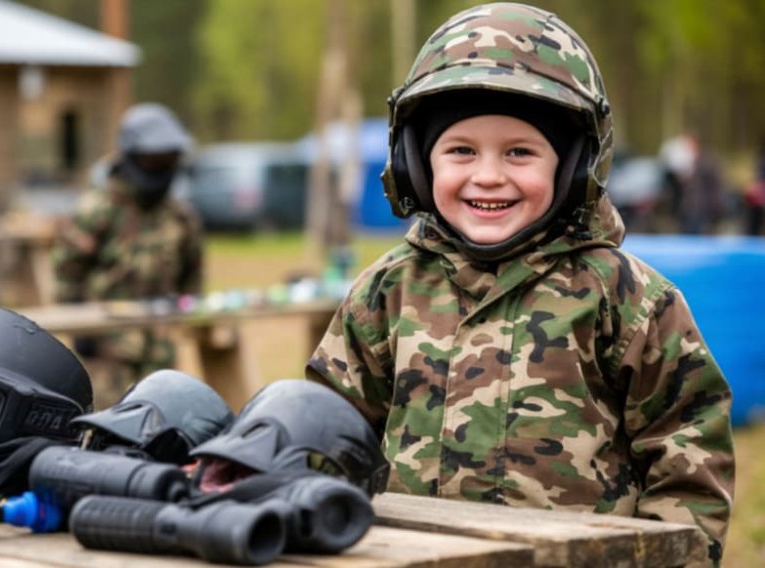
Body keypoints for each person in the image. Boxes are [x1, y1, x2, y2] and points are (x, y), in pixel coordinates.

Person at [305, 3, 734, 565]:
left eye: (519, 152)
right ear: (416, 163)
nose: (488, 175)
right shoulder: (386, 293)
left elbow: (688, 457)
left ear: (574, 166)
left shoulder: (625, 299)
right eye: (461, 150)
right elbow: (325, 440)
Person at [52, 103, 203, 407]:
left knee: (163, 430)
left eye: (168, 158)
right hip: (106, 356)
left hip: (159, 355)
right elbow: (67, 277)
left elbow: (192, 277)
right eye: (152, 159)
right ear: (131, 156)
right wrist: (83, 329)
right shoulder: (96, 210)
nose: (161, 167)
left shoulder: (180, 217)